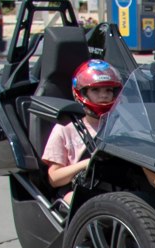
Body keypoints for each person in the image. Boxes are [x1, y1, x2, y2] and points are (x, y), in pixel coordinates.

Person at [42, 59, 123, 207]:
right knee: (88, 203)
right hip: (78, 190)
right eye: (96, 90)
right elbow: (54, 178)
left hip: (117, 191)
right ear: (82, 93)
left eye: (108, 90)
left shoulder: (121, 125)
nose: (103, 95)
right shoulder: (66, 128)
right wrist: (88, 163)